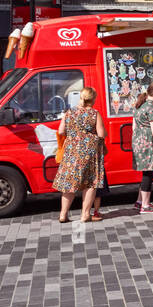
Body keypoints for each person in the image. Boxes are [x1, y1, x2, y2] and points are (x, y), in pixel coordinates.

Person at [53, 86, 106, 223]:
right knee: (90, 183)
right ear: (93, 99)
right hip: (90, 151)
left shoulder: (69, 112)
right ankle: (85, 215)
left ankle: (63, 215)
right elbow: (101, 134)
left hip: (71, 151)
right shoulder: (94, 113)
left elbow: (60, 131)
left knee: (69, 184)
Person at [132, 82, 153, 214]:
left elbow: (134, 126)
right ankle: (145, 206)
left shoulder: (138, 104)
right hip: (148, 142)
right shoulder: (151, 107)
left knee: (145, 173)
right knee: (149, 174)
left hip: (138, 141)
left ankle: (139, 201)